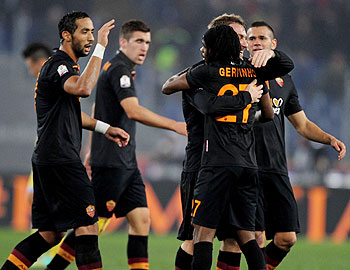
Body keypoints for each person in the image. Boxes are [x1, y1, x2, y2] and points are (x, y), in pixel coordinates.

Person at [46, 19, 187, 270]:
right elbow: (132, 111)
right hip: (111, 162)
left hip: (126, 162)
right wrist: (174, 125)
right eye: (139, 41)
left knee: (141, 219)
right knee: (90, 226)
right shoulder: (119, 69)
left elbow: (96, 108)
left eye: (147, 43)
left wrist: (89, 148)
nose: (144, 48)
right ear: (123, 42)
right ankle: (54, 267)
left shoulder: (120, 68)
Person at [1, 11, 130, 270]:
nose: (91, 38)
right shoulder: (59, 64)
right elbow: (84, 88)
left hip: (49, 158)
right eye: (85, 32)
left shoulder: (63, 67)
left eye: (93, 32)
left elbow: (72, 114)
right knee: (87, 225)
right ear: (66, 35)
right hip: (60, 158)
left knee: (50, 234)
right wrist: (102, 47)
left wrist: (105, 128)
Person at [165, 13, 294, 270]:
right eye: (239, 38)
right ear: (222, 38)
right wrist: (246, 107)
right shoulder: (231, 71)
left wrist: (269, 55)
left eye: (245, 38)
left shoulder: (206, 73)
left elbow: (200, 102)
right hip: (205, 163)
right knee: (230, 237)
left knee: (217, 237)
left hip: (216, 164)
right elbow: (268, 112)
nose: (246, 43)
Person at [247, 21, 346, 270]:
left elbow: (301, 124)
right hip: (249, 165)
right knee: (256, 236)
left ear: (273, 44)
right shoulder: (240, 74)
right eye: (251, 38)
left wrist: (328, 138)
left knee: (286, 238)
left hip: (277, 168)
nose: (256, 42)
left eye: (262, 38)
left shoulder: (285, 81)